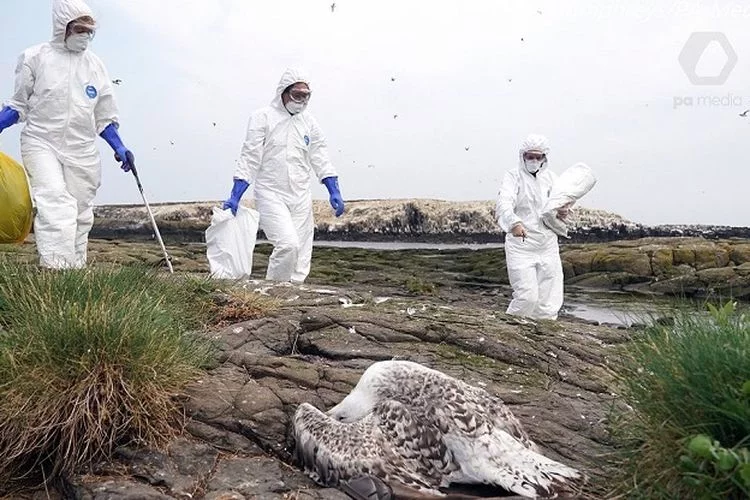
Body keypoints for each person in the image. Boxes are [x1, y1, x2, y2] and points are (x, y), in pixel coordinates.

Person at [0, 0, 134, 269]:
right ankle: (55, 268)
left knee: (81, 211)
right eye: (80, 29)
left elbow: (105, 116)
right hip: (41, 140)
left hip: (82, 148)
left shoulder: (95, 66)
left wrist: (119, 147)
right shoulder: (34, 58)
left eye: (90, 31)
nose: (85, 36)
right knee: (54, 201)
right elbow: (18, 106)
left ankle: (75, 269)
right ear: (63, 26)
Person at [222, 68, 345, 283]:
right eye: (297, 95)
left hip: (300, 196)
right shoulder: (262, 118)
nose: (302, 101)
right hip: (271, 194)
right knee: (288, 244)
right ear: (283, 92)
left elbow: (320, 156)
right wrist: (235, 195)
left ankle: (294, 293)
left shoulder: (309, 123)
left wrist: (333, 190)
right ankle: (274, 289)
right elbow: (250, 157)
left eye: (306, 96)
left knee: (301, 254)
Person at [496, 134, 566, 320]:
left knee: (548, 301)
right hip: (521, 244)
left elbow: (561, 205)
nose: (534, 160)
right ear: (522, 156)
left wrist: (563, 212)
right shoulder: (513, 176)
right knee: (527, 296)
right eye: (530, 156)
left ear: (544, 158)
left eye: (538, 156)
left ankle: (542, 337)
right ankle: (510, 331)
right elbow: (504, 203)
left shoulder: (552, 179)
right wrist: (514, 223)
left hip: (547, 244)